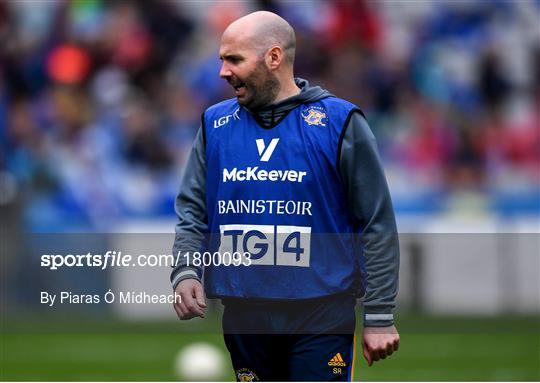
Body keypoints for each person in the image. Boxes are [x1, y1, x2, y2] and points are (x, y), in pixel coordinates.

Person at [171, 11, 400, 381]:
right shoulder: (214, 124)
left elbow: (376, 222)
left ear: (274, 58)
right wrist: (185, 271)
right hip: (244, 313)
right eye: (222, 60)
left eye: (234, 59)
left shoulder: (339, 122)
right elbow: (193, 210)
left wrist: (379, 314)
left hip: (322, 312)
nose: (223, 72)